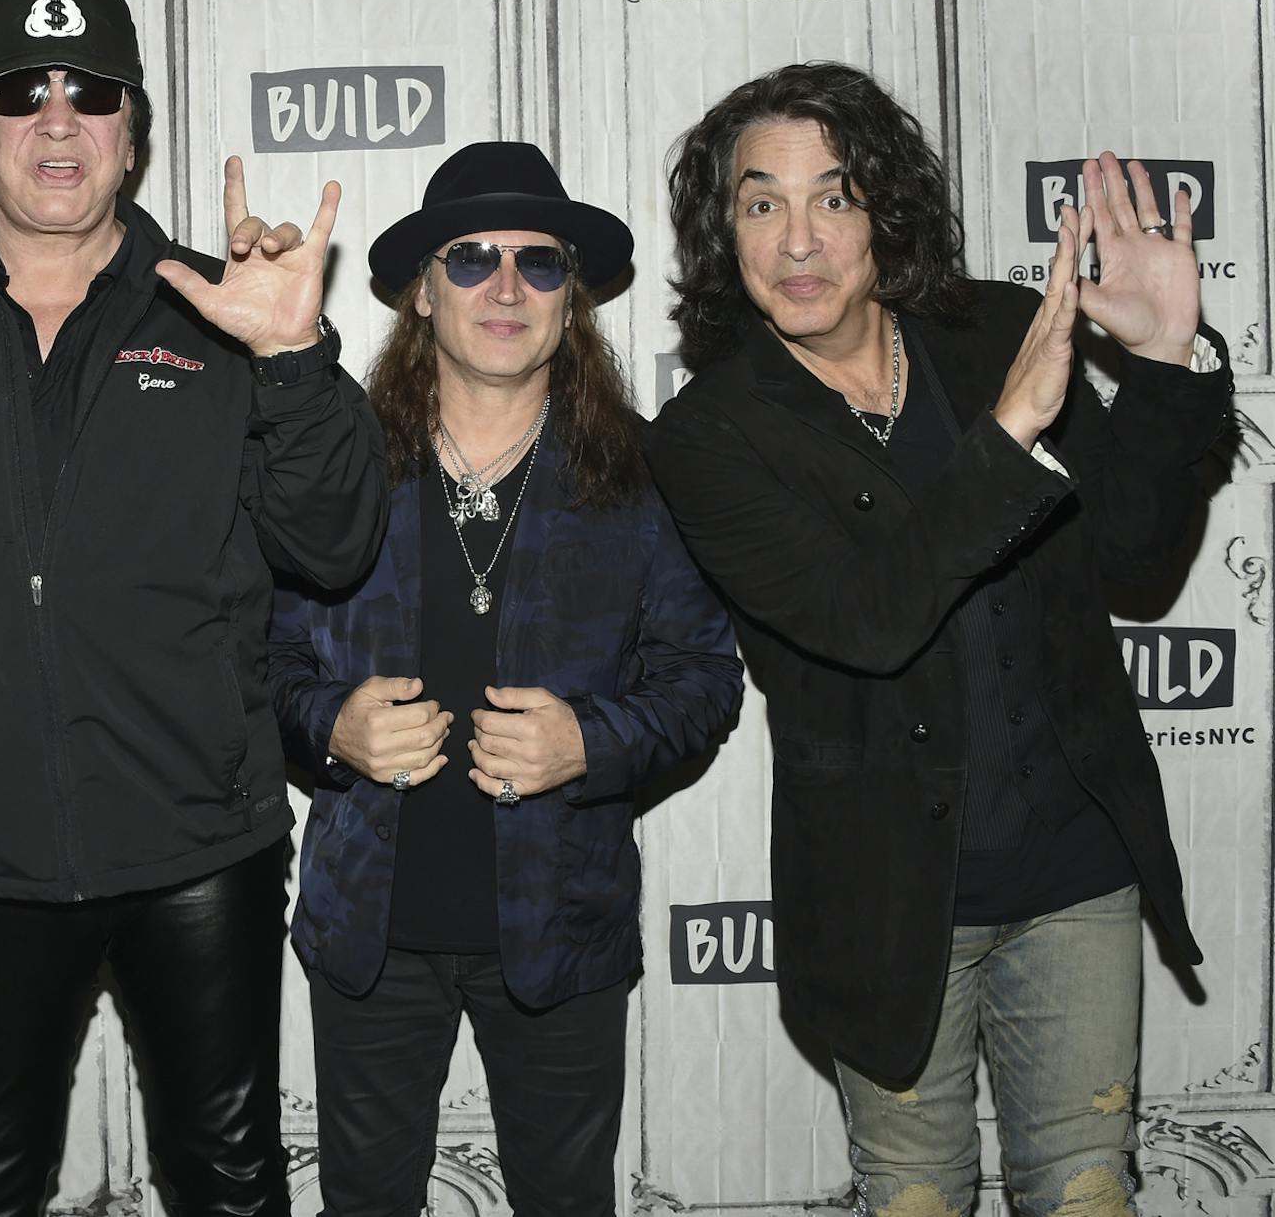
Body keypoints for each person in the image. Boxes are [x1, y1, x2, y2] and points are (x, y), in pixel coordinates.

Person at [0, 0, 387, 1216]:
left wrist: (293, 359)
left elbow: (336, 539)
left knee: (230, 1177)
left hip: (202, 840)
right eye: (21, 92)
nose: (58, 120)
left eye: (92, 94)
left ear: (133, 136)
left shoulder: (229, 311)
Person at [646, 61, 1232, 1214]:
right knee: (916, 1196)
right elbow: (867, 620)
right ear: (728, 232)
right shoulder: (710, 435)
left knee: (1087, 1194)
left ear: (887, 213)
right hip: (890, 899)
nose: (799, 239)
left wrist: (1166, 363)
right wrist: (1011, 434)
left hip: (1076, 870)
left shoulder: (998, 332)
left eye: (835, 195)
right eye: (762, 202)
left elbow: (1136, 554)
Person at [267, 141, 741, 1216]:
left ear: (572, 300)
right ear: (422, 292)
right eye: (471, 257)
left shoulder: (639, 475)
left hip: (560, 930)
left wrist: (593, 742)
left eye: (539, 262)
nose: (506, 285)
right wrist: (330, 724)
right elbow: (263, 663)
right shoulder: (340, 471)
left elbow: (704, 678)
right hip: (368, 935)